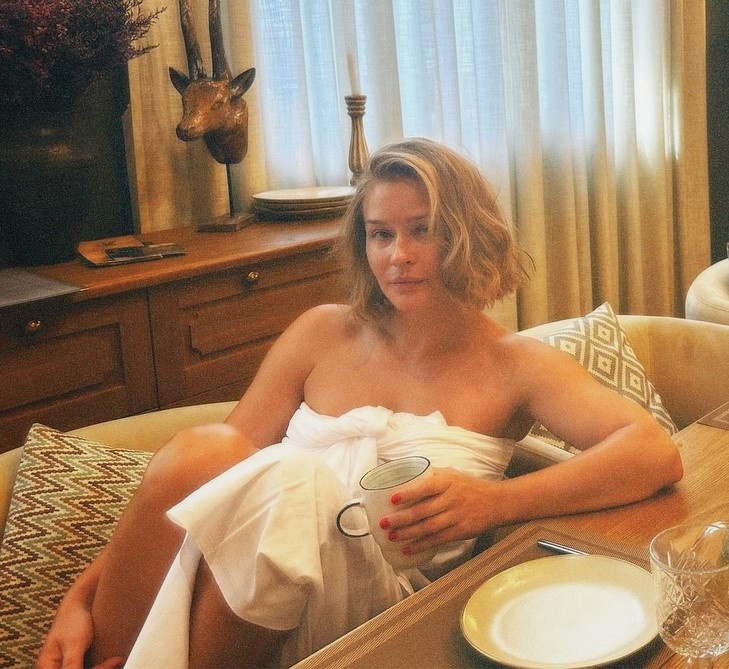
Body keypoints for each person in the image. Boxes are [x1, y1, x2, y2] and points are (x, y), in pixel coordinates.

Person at [37, 138, 683, 669]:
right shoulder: (321, 332)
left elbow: (653, 451)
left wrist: (495, 502)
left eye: (421, 231)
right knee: (210, 450)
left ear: (465, 235)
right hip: (241, 610)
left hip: (380, 609)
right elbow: (201, 490)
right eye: (380, 234)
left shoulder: (513, 363)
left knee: (294, 481)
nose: (398, 256)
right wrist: (80, 598)